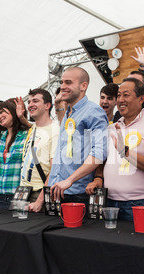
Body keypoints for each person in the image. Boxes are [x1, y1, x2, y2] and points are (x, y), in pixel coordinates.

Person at [86, 78, 144, 221]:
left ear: (141, 98)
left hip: (140, 203)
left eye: (126, 95)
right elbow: (103, 159)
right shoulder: (111, 128)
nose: (120, 100)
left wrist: (124, 151)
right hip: (109, 202)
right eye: (118, 95)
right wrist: (98, 178)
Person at [48, 67, 108, 209]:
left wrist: (70, 180)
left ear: (83, 86)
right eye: (61, 82)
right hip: (56, 191)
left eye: (68, 82)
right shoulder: (68, 112)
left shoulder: (93, 111)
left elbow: (99, 153)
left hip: (77, 194)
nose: (63, 86)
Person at [20, 88, 59, 212]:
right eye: (29, 102)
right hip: (24, 193)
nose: (30, 105)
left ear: (47, 105)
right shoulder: (34, 127)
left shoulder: (55, 130)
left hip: (39, 194)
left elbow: (55, 169)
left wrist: (40, 200)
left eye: (35, 101)